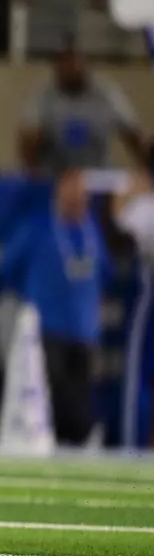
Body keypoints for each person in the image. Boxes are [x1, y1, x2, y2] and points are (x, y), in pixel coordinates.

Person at [0, 168, 109, 446]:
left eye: (82, 189)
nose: (78, 195)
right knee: (52, 400)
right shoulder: (38, 228)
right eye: (72, 187)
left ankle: (83, 445)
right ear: (59, 190)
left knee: (81, 402)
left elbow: (106, 274)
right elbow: (6, 268)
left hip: (83, 332)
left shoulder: (91, 232)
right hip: (47, 329)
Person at [18, 38, 144, 177]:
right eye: (64, 62)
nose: (70, 68)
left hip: (98, 176)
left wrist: (146, 171)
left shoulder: (106, 94)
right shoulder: (44, 98)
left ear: (85, 64)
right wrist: (34, 173)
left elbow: (133, 135)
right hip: (57, 177)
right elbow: (27, 140)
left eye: (74, 61)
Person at [113, 166, 154, 449]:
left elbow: (120, 224)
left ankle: (132, 446)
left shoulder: (147, 207)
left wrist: (125, 195)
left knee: (137, 373)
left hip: (148, 293)